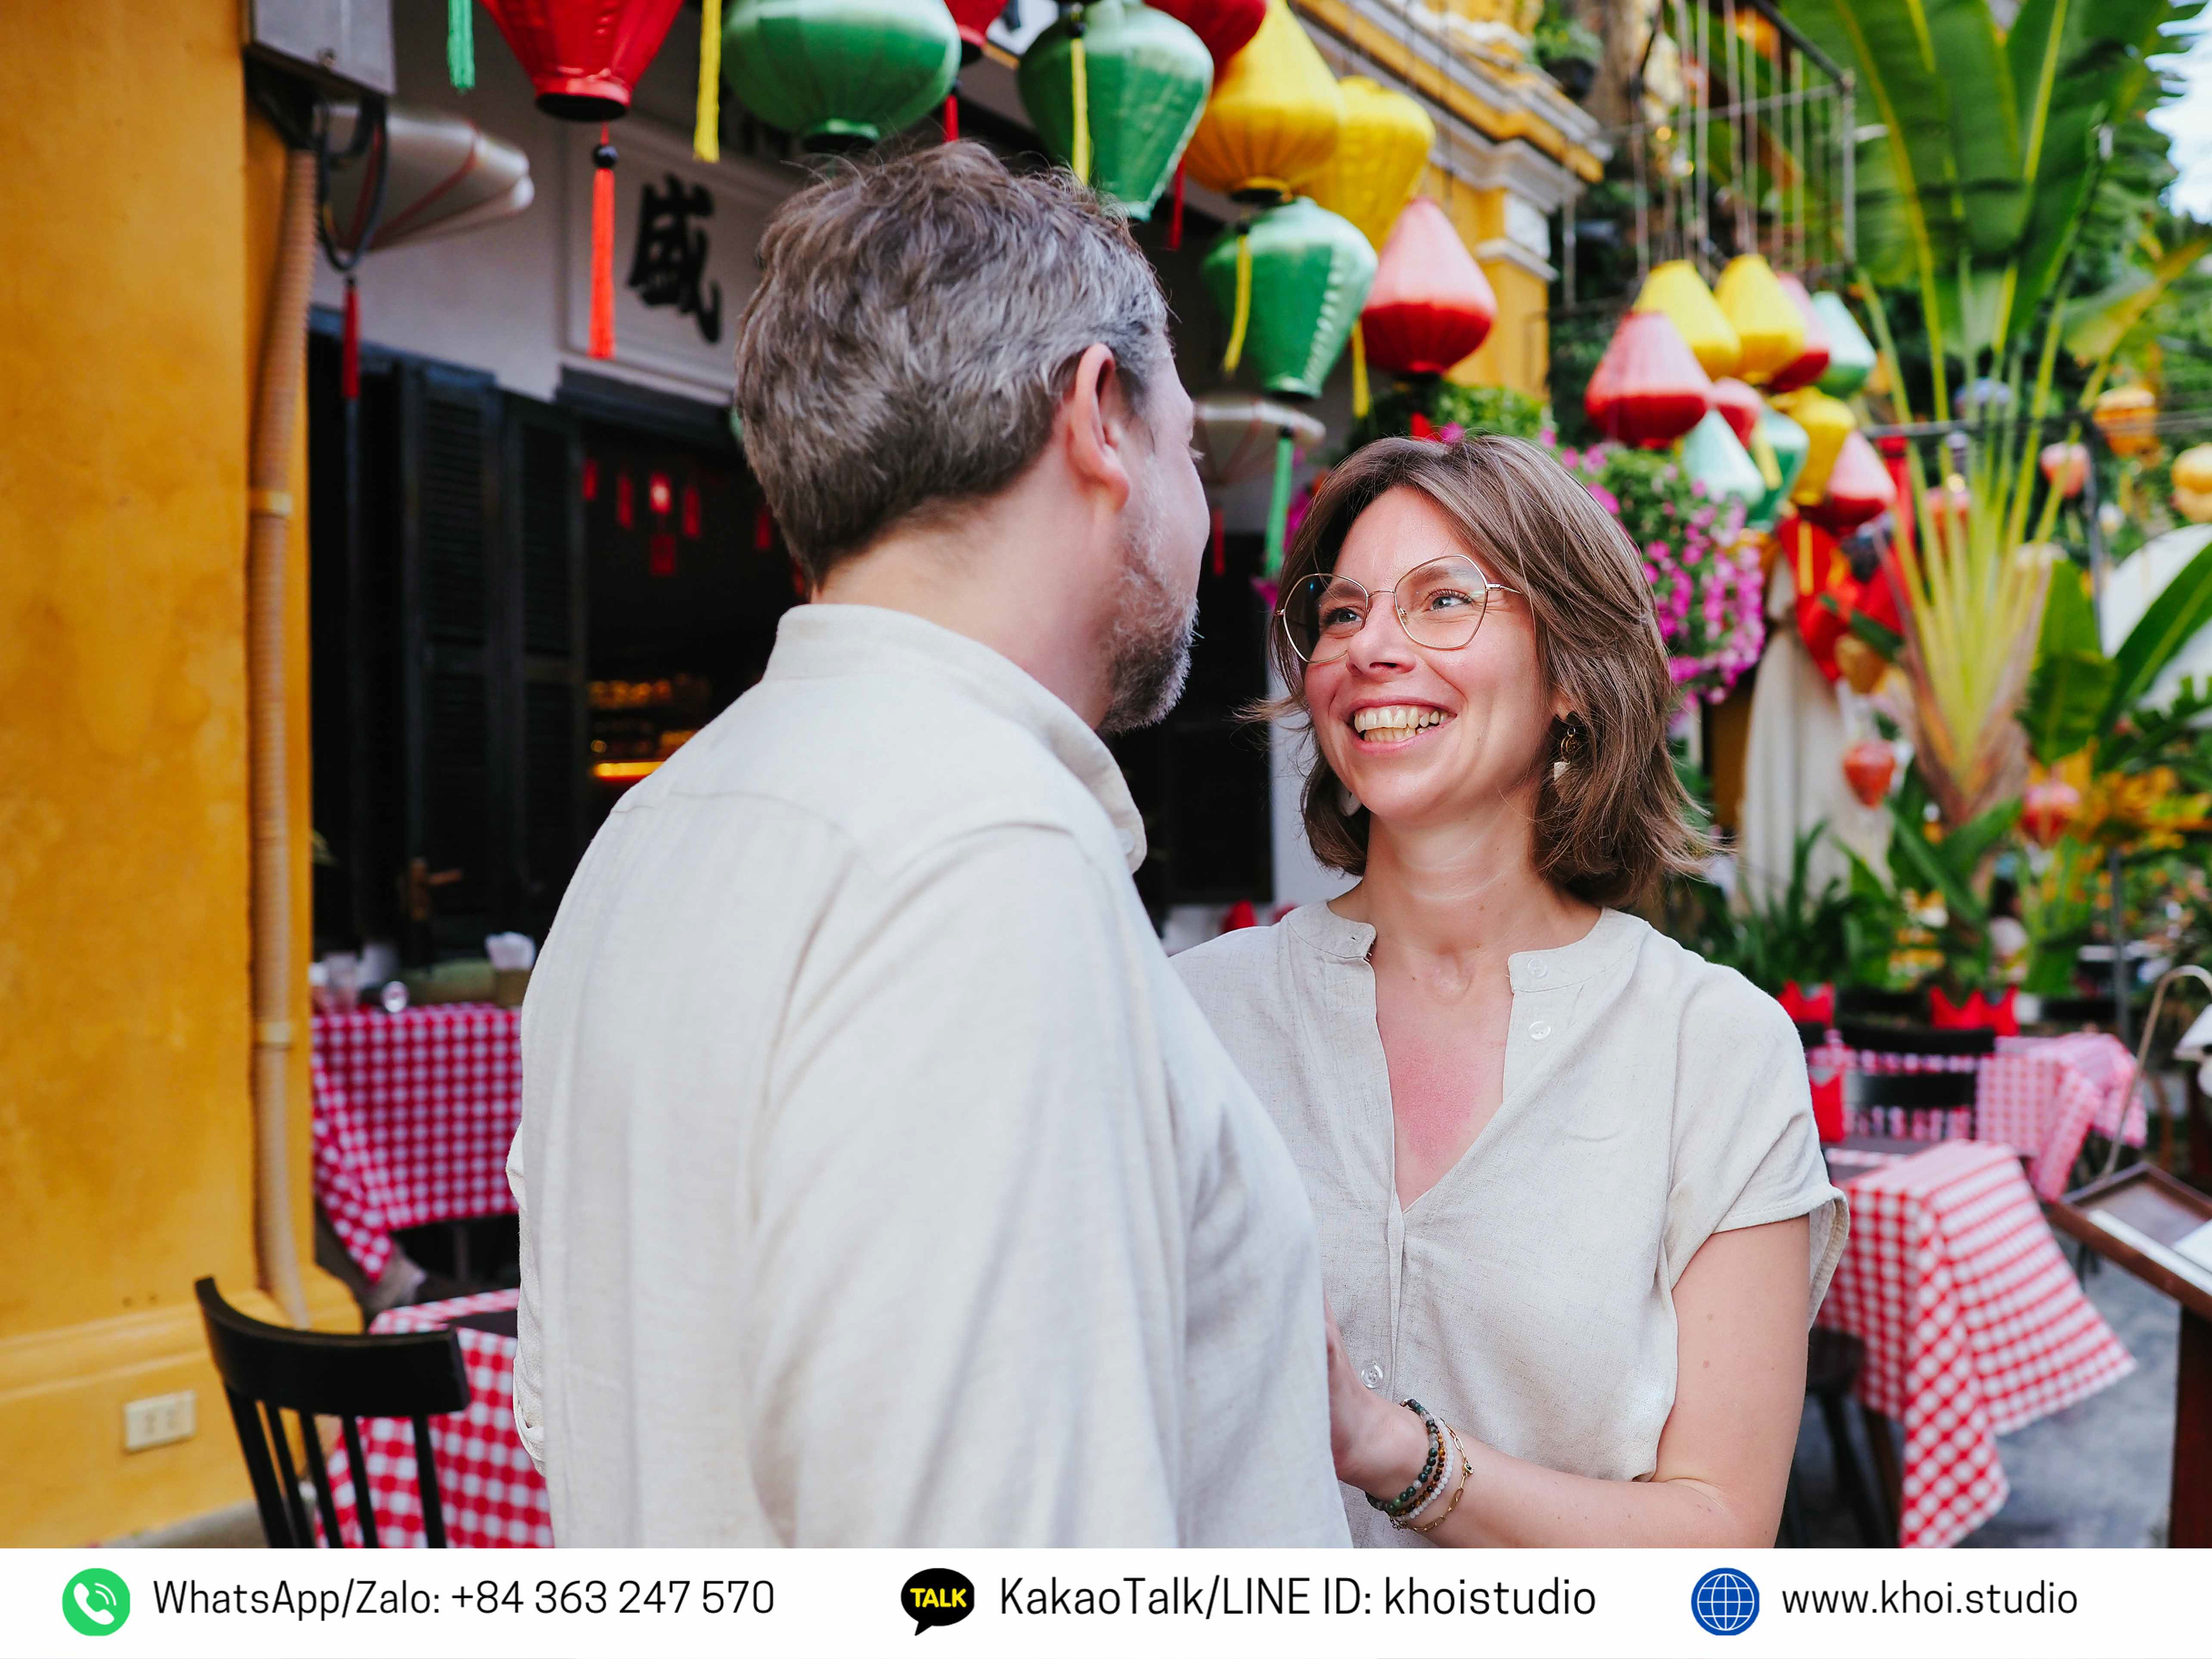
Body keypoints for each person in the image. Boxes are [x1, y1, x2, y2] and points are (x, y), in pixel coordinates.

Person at [506, 145, 1349, 1548]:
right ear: (1097, 414)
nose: (1202, 513)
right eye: (1191, 450)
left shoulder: (655, 829)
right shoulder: (984, 853)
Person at [1173, 435, 1846, 1547]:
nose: (1370, 648)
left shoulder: (1712, 1046)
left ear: (1573, 676)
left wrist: (1396, 1452)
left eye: (1443, 601)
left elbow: (1721, 1538)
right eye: (1342, 615)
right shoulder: (1193, 1019)